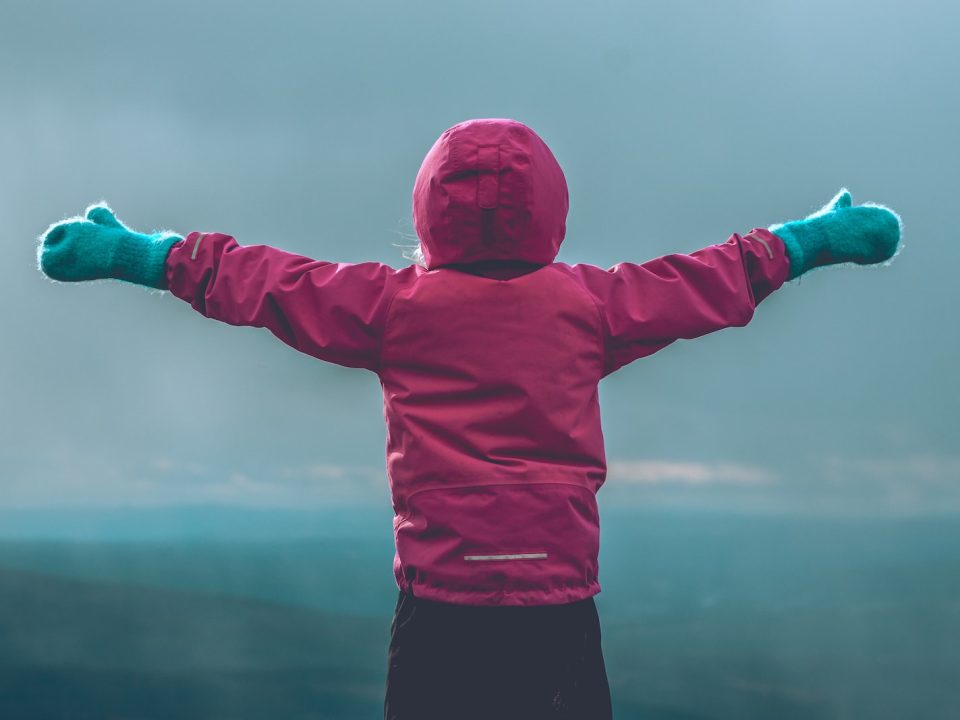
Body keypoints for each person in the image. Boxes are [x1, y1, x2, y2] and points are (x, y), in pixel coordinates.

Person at [36, 118, 901, 719]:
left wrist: (140, 255)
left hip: (441, 607)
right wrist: (812, 238)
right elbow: (713, 278)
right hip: (556, 605)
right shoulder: (590, 305)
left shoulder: (391, 307)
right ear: (551, 212)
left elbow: (263, 282)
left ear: (427, 213)